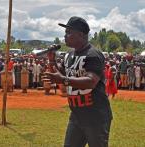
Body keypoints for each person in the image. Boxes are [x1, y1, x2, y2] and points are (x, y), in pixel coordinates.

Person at [45, 16, 113, 147]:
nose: (65, 36)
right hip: (76, 116)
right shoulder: (69, 55)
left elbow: (91, 81)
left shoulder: (93, 54)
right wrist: (51, 60)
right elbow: (61, 74)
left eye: (69, 32)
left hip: (95, 116)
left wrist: (63, 80)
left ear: (81, 35)